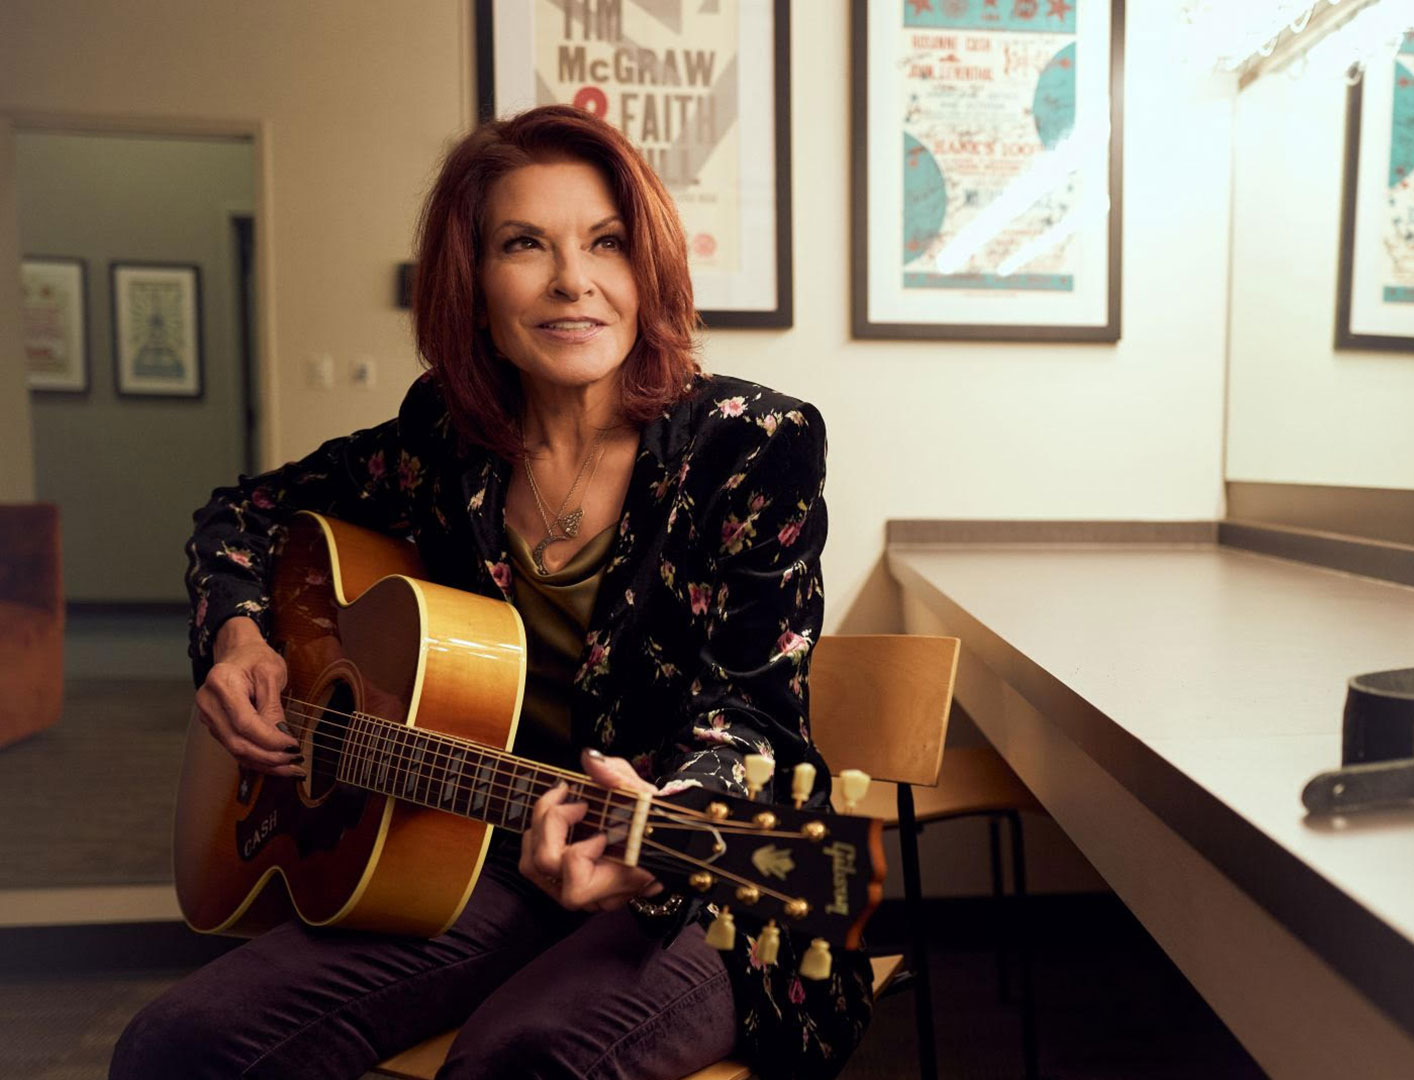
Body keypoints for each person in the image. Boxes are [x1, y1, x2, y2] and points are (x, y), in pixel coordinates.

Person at [110, 105, 871, 1080]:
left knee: (520, 1063)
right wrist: (239, 639)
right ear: (471, 289)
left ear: (647, 267)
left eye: (605, 241)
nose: (572, 279)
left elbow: (755, 715)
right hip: (474, 853)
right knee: (177, 1046)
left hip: (709, 877)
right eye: (525, 244)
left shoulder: (750, 445)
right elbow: (242, 512)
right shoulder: (446, 441)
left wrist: (665, 816)